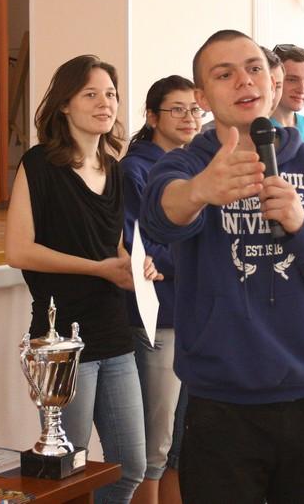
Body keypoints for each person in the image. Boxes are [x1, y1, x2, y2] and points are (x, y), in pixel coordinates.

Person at [139, 29, 304, 504]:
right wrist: (201, 190)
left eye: (253, 69)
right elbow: (160, 215)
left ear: (272, 80)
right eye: (224, 75)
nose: (244, 82)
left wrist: (303, 227)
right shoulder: (185, 165)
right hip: (220, 403)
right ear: (203, 97)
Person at [5, 55, 161, 503]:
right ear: (64, 104)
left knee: (130, 466)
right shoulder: (39, 164)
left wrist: (136, 268)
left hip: (113, 331)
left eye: (110, 94)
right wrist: (97, 268)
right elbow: (18, 250)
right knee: (69, 474)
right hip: (61, 339)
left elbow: (113, 246)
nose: (104, 103)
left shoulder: (114, 167)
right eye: (90, 94)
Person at [123, 75, 203, 504]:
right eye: (177, 109)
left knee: (182, 438)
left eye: (194, 109)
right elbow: (142, 248)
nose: (189, 117)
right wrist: (195, 259)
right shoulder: (136, 169)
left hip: (193, 313)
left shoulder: (197, 165)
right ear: (152, 117)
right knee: (156, 440)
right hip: (159, 315)